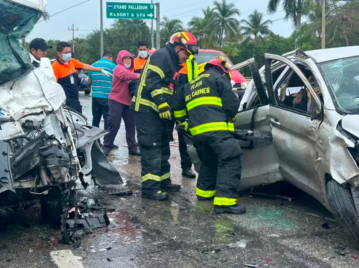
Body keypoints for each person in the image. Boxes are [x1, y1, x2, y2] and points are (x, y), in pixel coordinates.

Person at [172, 56, 246, 215]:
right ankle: (225, 203)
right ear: (222, 69)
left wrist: (183, 123)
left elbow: (176, 105)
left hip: (198, 134)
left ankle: (204, 193)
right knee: (230, 158)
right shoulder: (218, 78)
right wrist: (231, 121)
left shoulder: (191, 84)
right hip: (217, 130)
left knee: (209, 161)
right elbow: (232, 103)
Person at [131, 31, 199, 201]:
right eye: (186, 53)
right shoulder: (162, 56)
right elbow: (152, 80)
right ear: (178, 47)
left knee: (162, 147)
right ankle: (150, 188)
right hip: (147, 110)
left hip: (157, 112)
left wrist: (176, 116)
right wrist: (161, 103)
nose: (186, 58)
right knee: (152, 148)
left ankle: (163, 181)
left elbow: (169, 89)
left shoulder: (172, 60)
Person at [52, 42, 112, 113]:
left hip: (75, 100)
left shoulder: (71, 61)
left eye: (69, 52)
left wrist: (100, 70)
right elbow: (53, 87)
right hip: (64, 102)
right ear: (59, 54)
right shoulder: (54, 67)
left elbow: (85, 66)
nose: (69, 54)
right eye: (66, 52)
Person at [102, 50, 141, 157]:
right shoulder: (119, 68)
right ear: (120, 60)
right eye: (125, 59)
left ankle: (132, 148)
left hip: (128, 102)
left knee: (131, 126)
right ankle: (107, 146)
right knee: (114, 125)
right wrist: (140, 76)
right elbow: (126, 76)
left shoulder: (130, 69)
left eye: (129, 59)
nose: (128, 61)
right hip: (116, 100)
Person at [168, 54, 199, 179]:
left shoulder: (192, 64)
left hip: (184, 106)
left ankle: (186, 167)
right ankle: (161, 169)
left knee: (184, 136)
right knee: (164, 135)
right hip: (168, 104)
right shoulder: (168, 61)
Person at [88, 51, 116, 131]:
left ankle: (95, 141)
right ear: (111, 58)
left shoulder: (93, 65)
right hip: (107, 97)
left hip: (95, 96)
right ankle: (106, 141)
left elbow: (89, 81)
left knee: (95, 120)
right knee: (107, 120)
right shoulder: (113, 66)